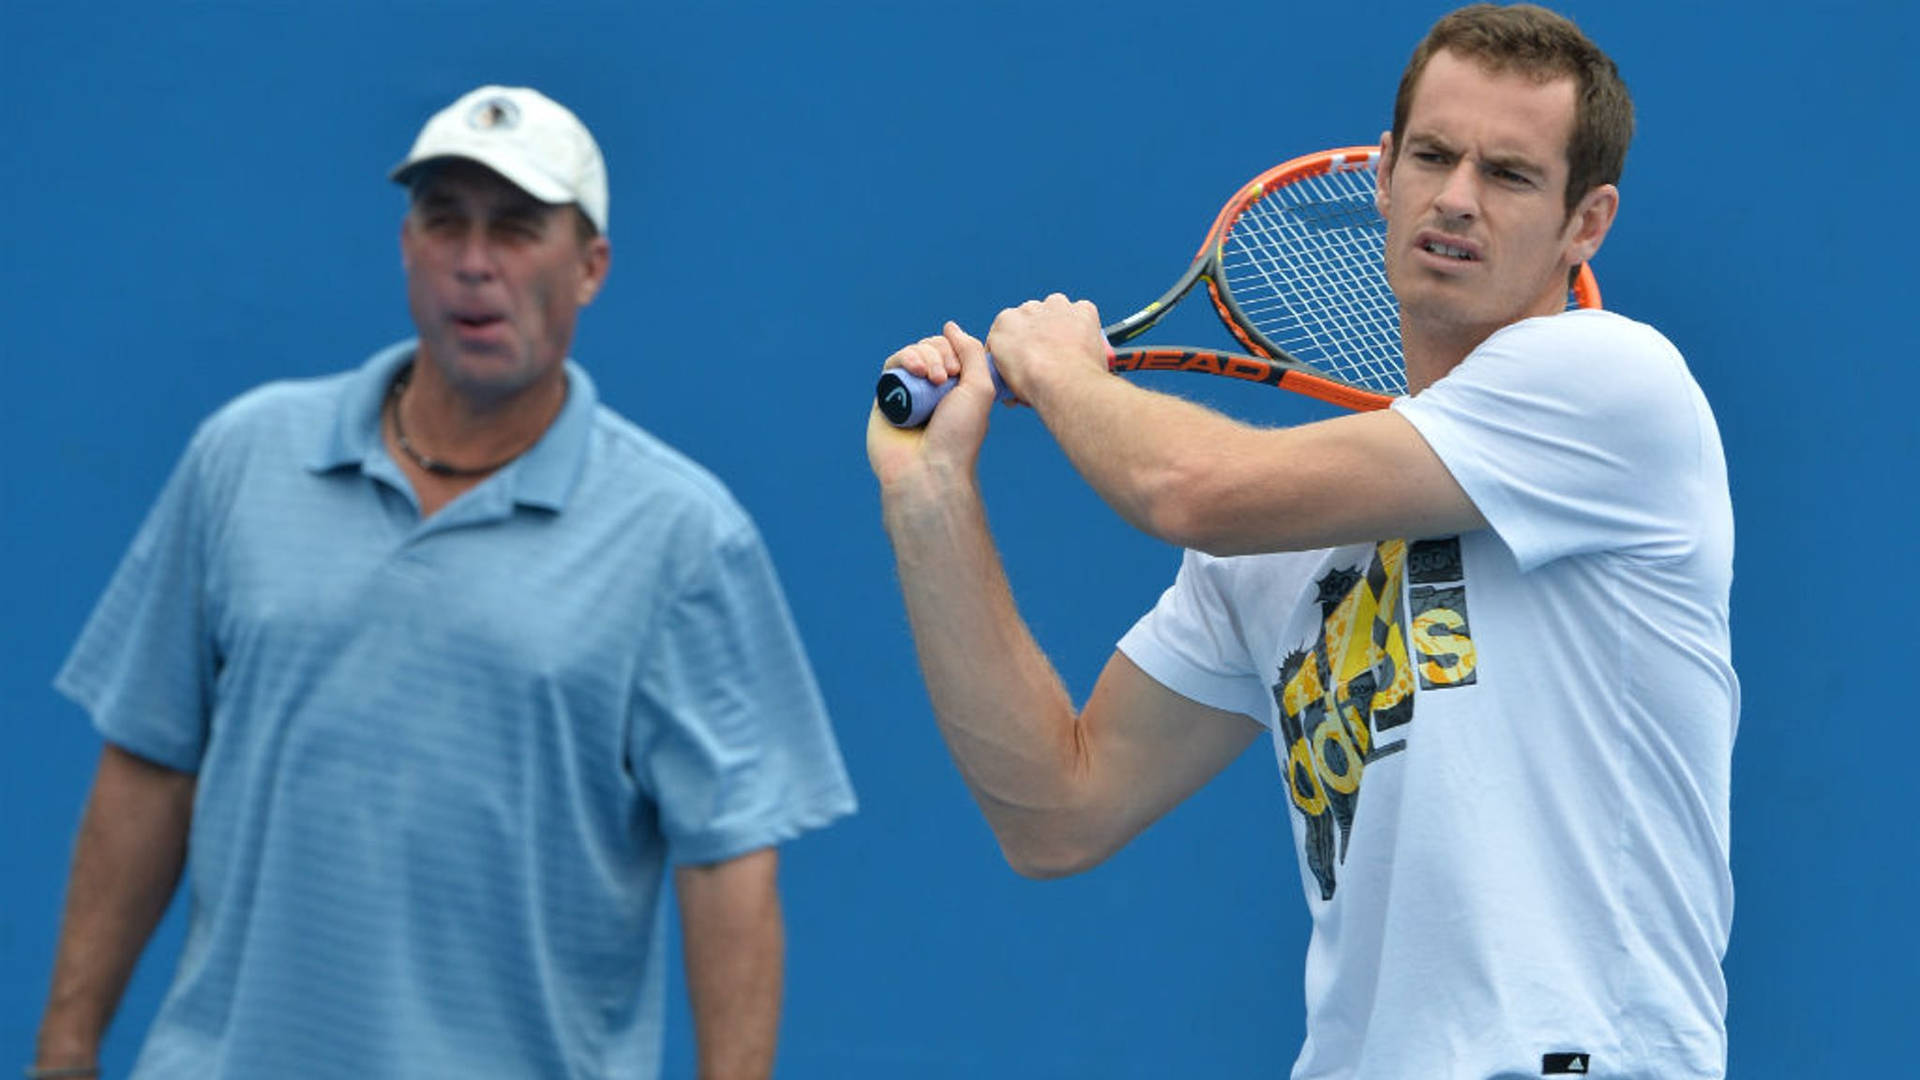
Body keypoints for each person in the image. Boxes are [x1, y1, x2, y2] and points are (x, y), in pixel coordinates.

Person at [867, 5, 1734, 1078]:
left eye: (1509, 175)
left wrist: (1057, 370)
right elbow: (1056, 811)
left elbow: (1183, 486)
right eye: (1431, 156)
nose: (1455, 197)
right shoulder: (1277, 549)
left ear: (1585, 224)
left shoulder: (1613, 386)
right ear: (1383, 174)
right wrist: (931, 497)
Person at [34, 85, 855, 1080]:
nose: (475, 262)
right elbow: (149, 765)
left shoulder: (683, 536)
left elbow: (728, 865)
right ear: (406, 246)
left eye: (515, 230)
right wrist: (66, 1047)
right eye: (444, 222)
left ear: (590, 267)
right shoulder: (243, 459)